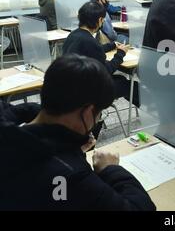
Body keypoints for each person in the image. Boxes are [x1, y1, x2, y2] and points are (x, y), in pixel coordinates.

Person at [0, 55, 156, 210]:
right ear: (87, 113)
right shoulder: (73, 176)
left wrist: (67, 148)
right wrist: (110, 169)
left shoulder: (11, 129)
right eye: (99, 114)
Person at [62, 1, 139, 112]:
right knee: (131, 86)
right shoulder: (90, 42)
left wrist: (112, 45)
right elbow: (106, 72)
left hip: (75, 87)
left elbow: (90, 50)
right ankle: (157, 112)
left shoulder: (74, 35)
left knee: (121, 79)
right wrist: (120, 54)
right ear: (99, 20)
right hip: (91, 91)